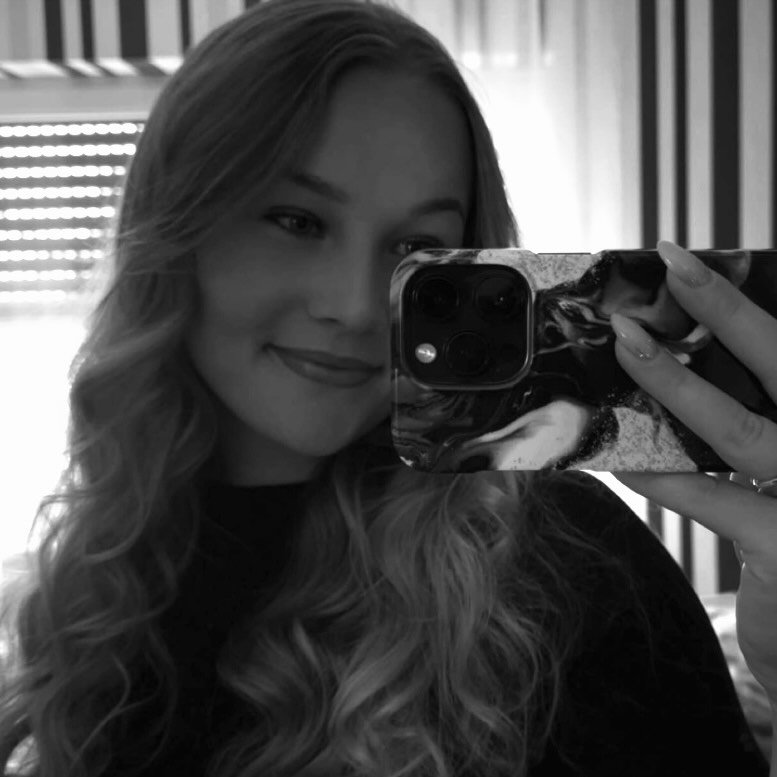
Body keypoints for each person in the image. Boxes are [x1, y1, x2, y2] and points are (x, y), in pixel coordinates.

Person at [1, 1, 776, 775]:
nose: (354, 305)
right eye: (296, 220)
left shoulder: (567, 566)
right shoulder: (94, 576)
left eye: (415, 245)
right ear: (176, 228)